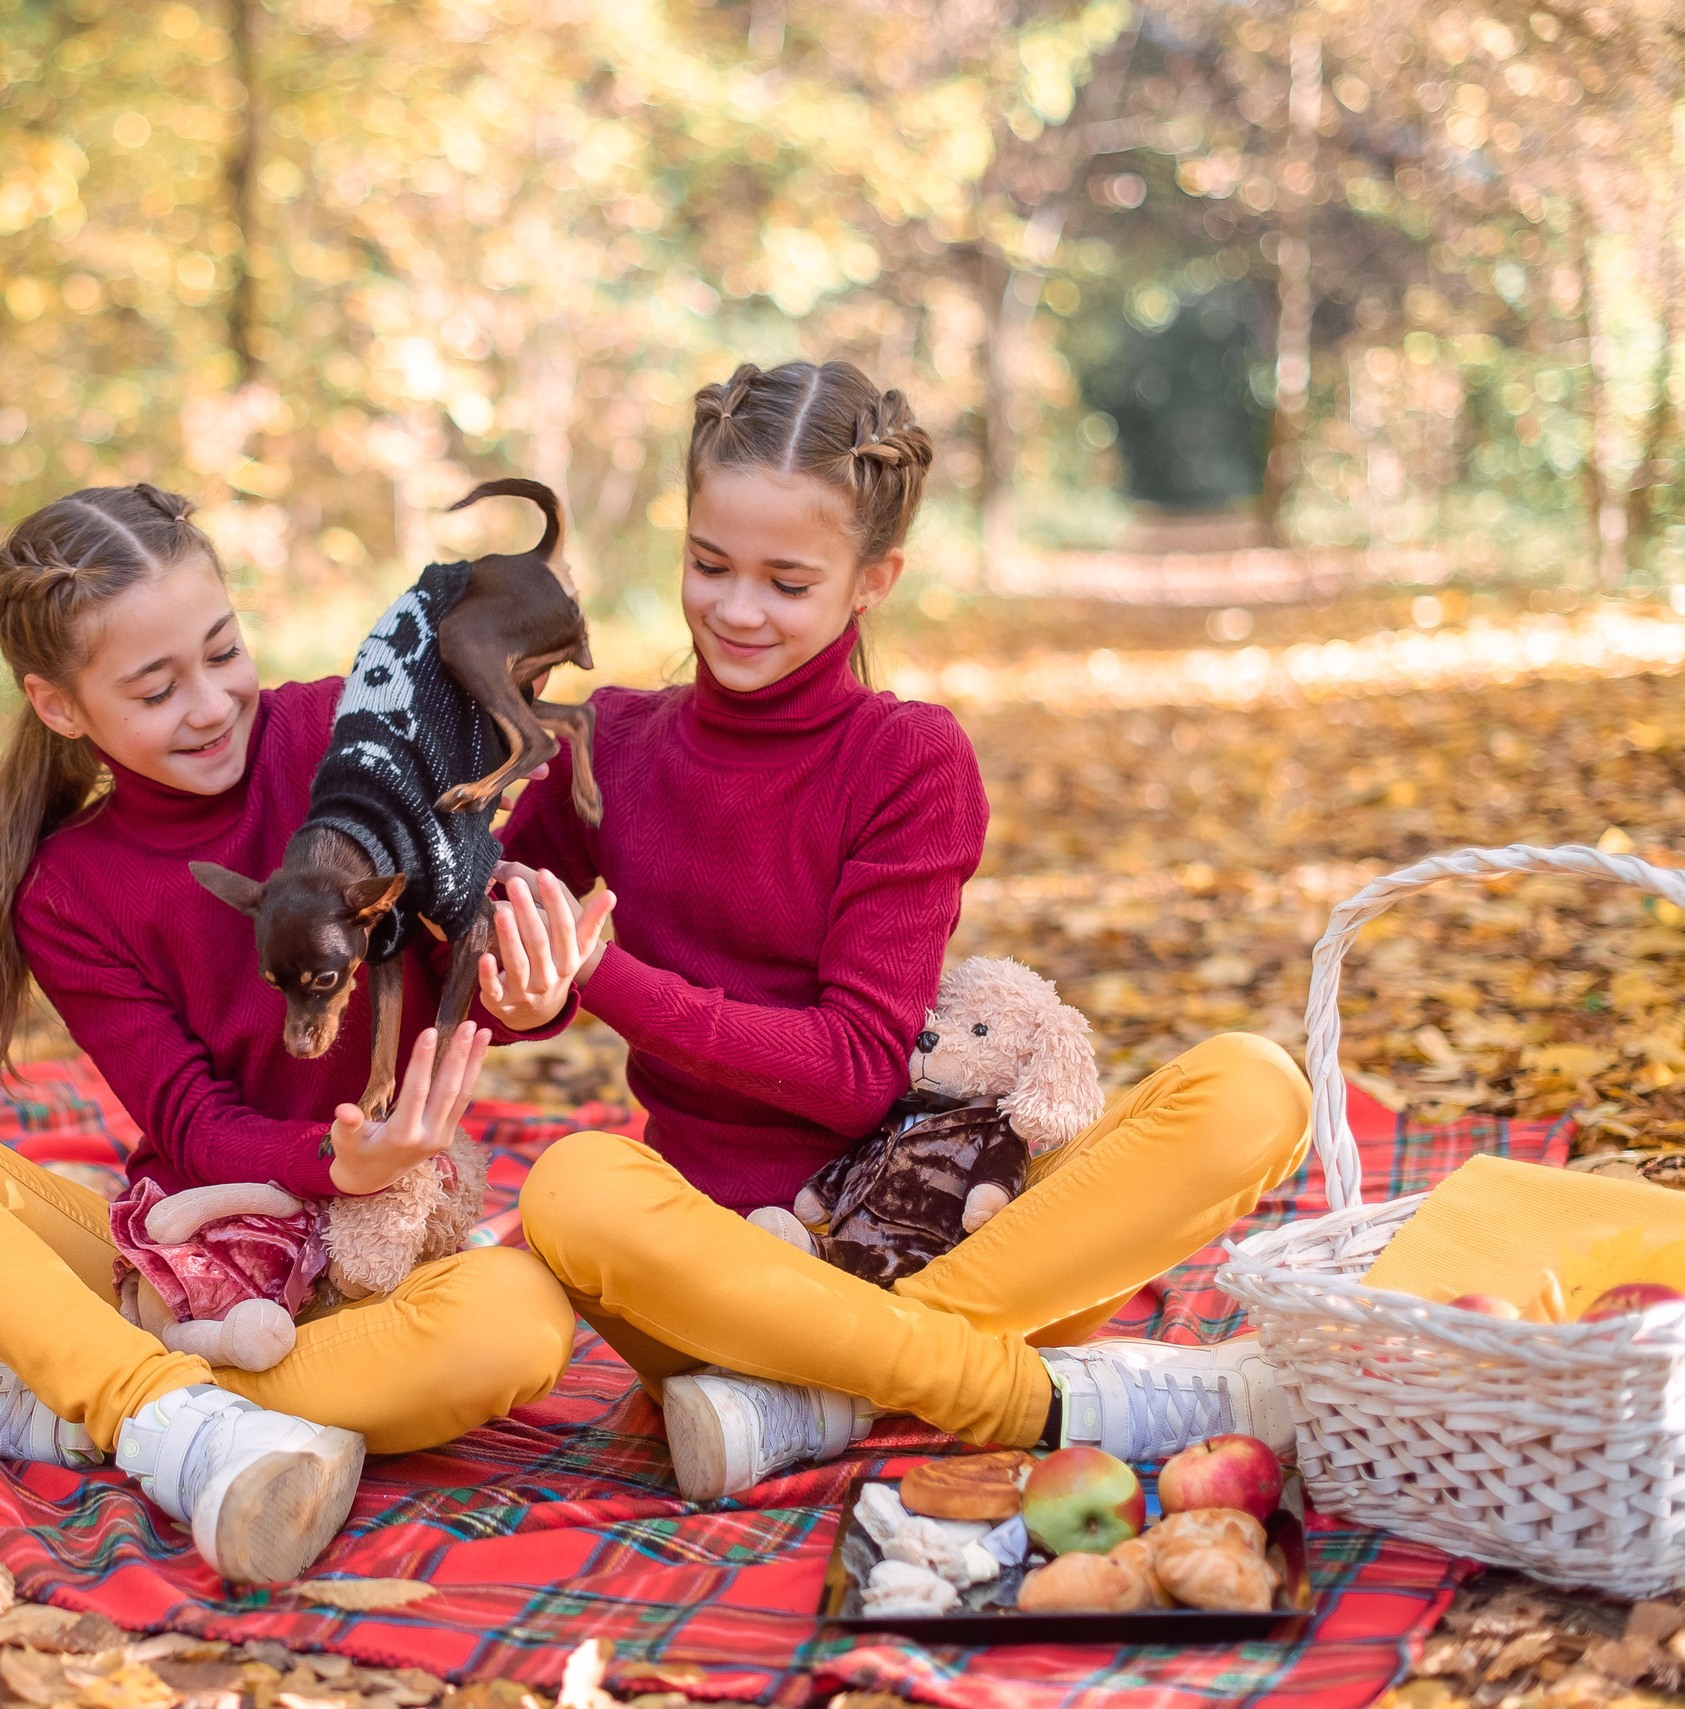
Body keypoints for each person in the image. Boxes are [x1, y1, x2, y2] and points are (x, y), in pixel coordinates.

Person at [500, 360, 1313, 1500]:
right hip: (721, 1279)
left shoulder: (906, 761)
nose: (736, 609)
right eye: (708, 564)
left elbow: (851, 1074)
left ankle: (819, 1391)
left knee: (1254, 1085)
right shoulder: (611, 746)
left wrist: (607, 978)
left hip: (952, 1228)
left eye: (787, 580)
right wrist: (524, 979)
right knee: (573, 1183)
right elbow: (495, 971)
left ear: (872, 577)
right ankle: (1043, 1397)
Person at [0, 484, 599, 1581]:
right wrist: (324, 1158)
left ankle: (60, 1400)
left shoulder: (342, 732)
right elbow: (190, 1120)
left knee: (516, 1323)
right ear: (61, 705)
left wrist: (524, 994)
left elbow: (457, 939)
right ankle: (165, 1412)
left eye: (223, 651)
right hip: (182, 1258)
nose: (213, 703)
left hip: (374, 1266)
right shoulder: (70, 887)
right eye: (155, 686)